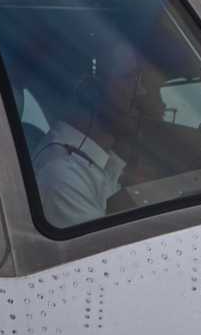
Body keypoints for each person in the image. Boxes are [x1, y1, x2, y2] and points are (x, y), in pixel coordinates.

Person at [31, 34, 163, 229]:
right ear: (91, 92)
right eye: (129, 78)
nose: (142, 92)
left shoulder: (96, 164)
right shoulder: (63, 177)